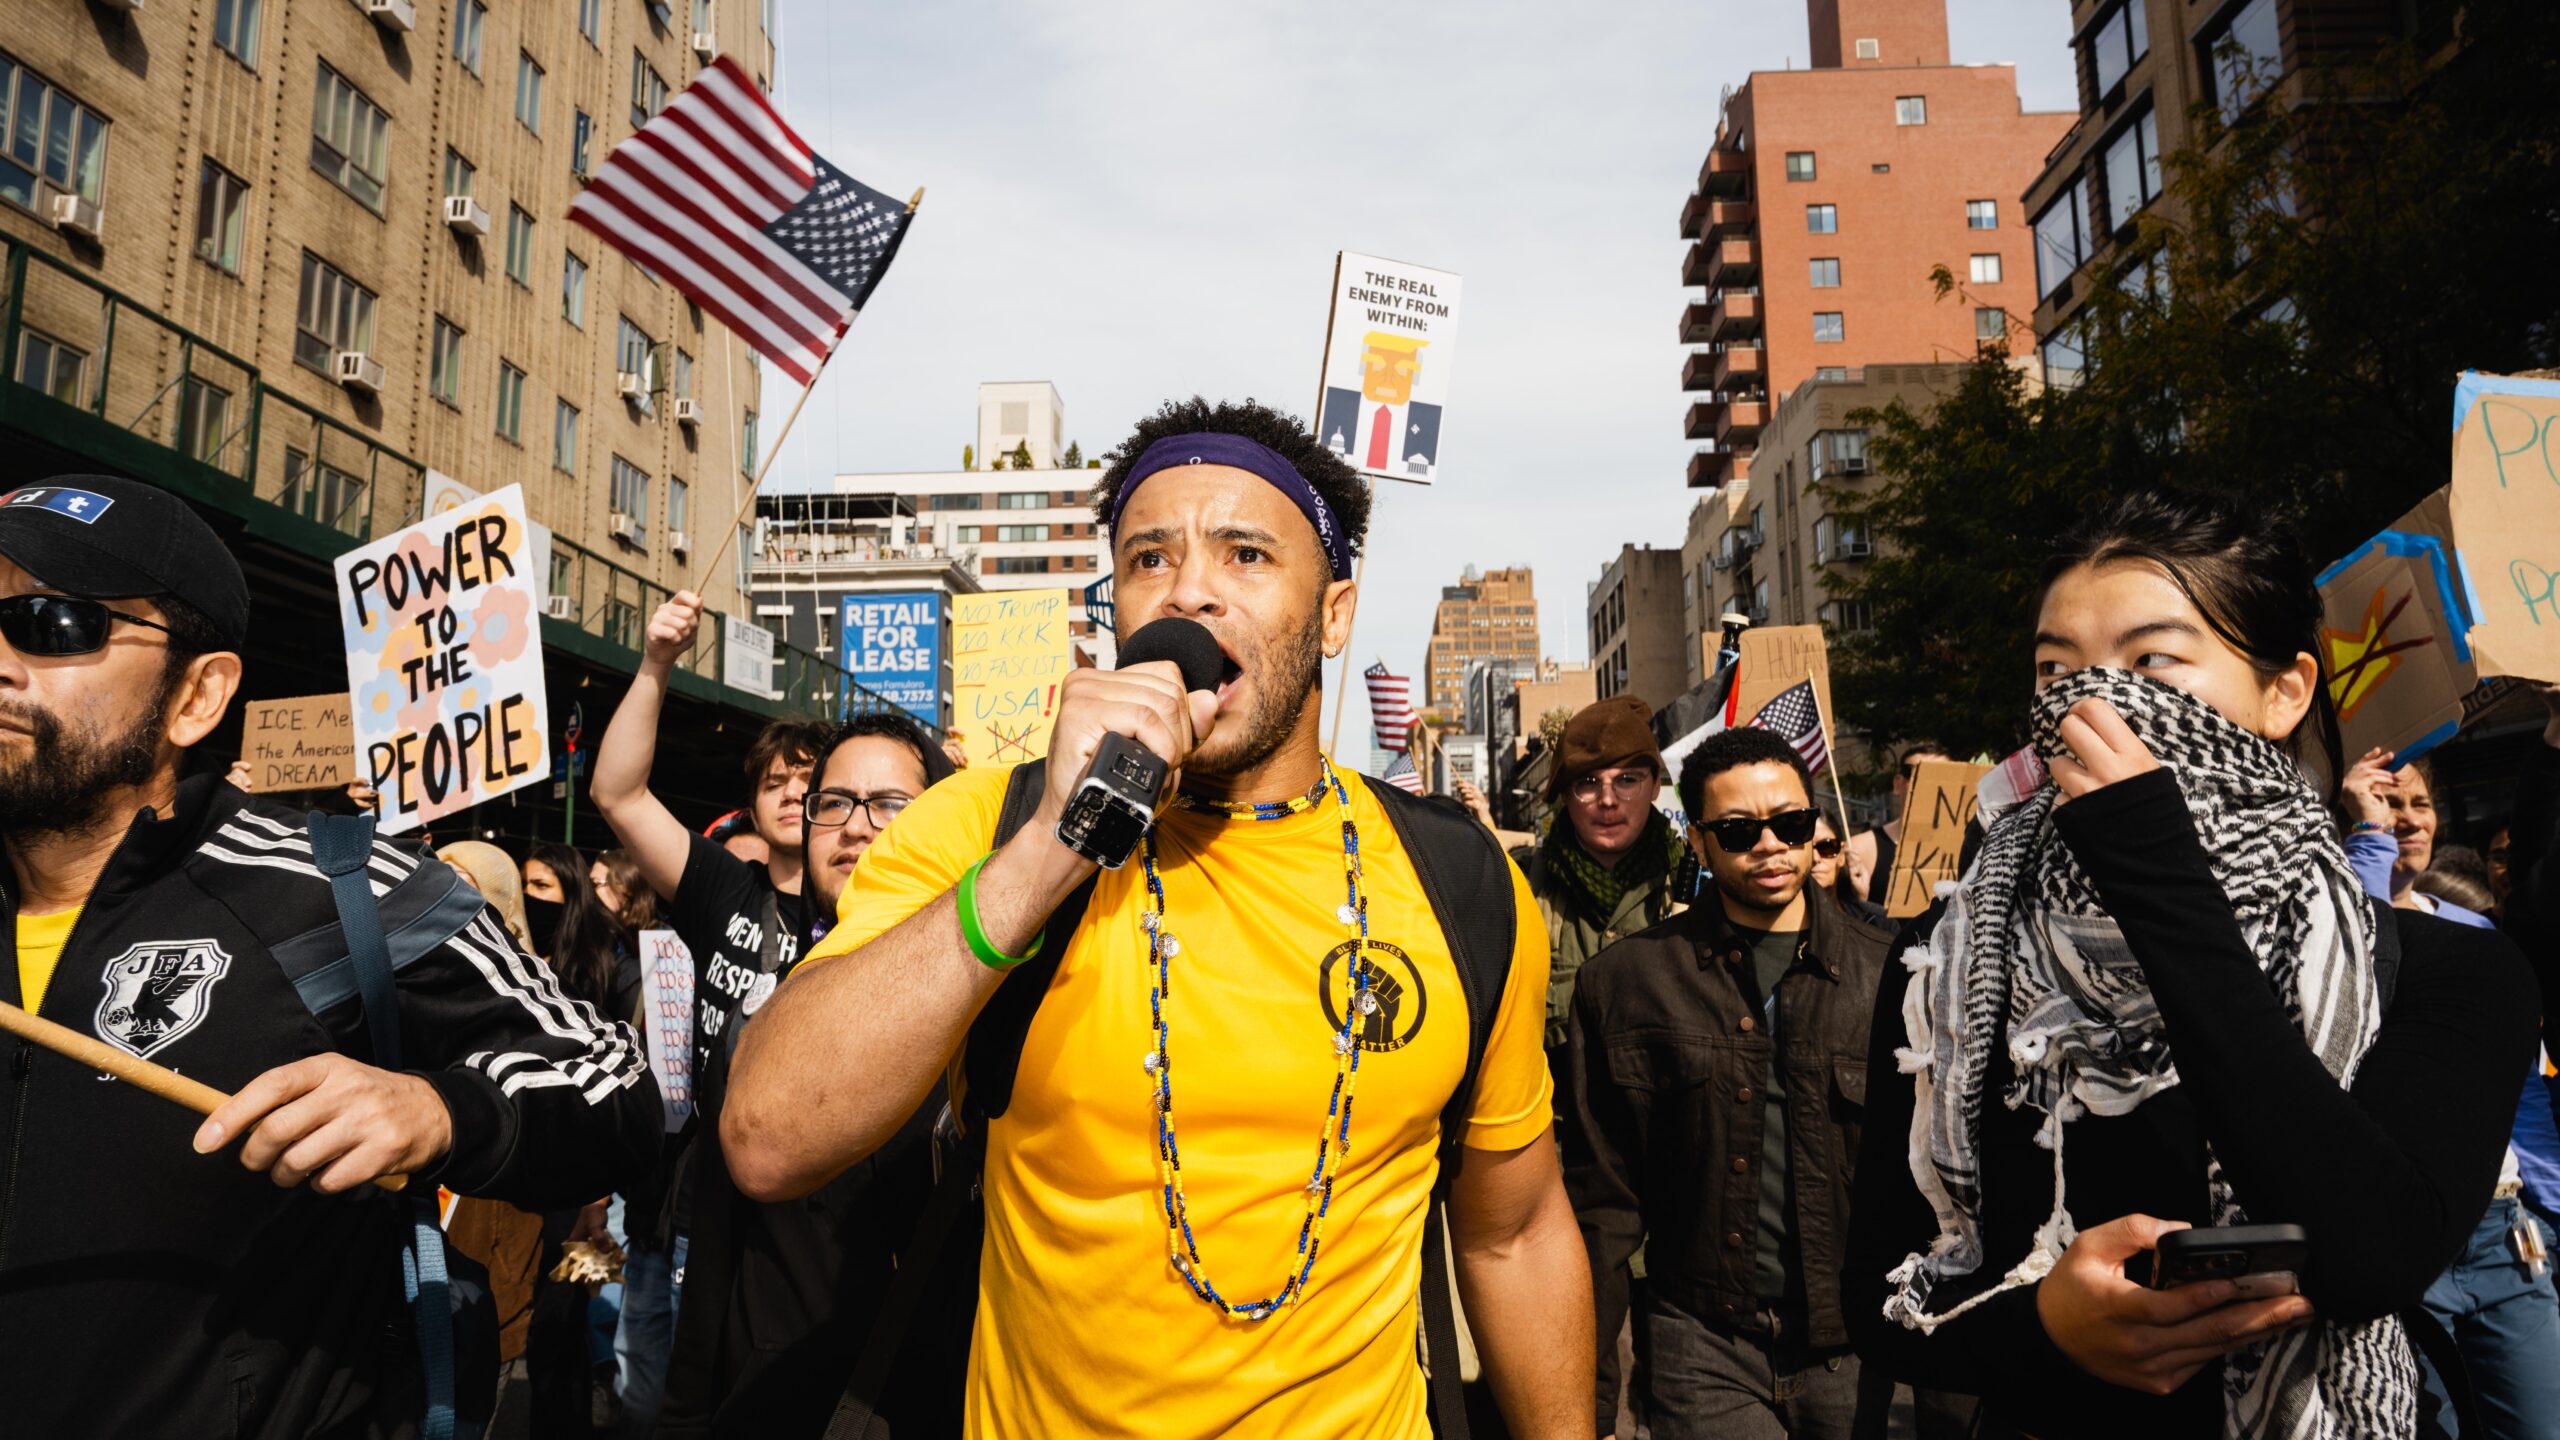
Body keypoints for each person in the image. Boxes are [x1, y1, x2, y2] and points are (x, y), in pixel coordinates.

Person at [722, 397, 1591, 1435]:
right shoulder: (982, 826)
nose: (1189, 590)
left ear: (1334, 616)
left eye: (1245, 555)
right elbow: (768, 1137)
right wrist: (1049, 848)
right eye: (1148, 559)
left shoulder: (1459, 881)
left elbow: (1514, 1233)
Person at [1845, 488, 2536, 1438]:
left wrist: (2159, 876)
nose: (2092, 702)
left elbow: (2371, 1256)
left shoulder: (2444, 968)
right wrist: (2045, 1328)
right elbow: (1880, 1304)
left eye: (2152, 661)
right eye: (2056, 670)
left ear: (2285, 692)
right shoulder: (1952, 965)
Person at [0, 475, 657, 1438]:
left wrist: (440, 1110)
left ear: (197, 695)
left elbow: (617, 1084)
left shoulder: (338, 889)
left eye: (50, 623)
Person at [1564, 726, 1895, 1439]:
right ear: (1699, 841)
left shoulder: (1896, 972)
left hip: (1862, 1345)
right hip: (1701, 1347)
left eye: (1791, 824)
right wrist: (1587, 1404)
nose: (1770, 846)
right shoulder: (1623, 984)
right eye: (1740, 831)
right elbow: (1603, 1209)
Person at [658, 709, 966, 1439]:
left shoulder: (999, 1006)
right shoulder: (762, 1024)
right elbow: (715, 1262)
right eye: (834, 803)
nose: (857, 827)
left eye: (890, 804)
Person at [2340, 750, 2560, 1436]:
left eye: (2419, 804)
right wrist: (2367, 838)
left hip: (2504, 1236)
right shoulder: (2331, 928)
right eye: (2386, 803)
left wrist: (2550, 1200)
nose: (2405, 820)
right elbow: (2364, 967)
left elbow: (2516, 1092)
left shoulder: (2477, 933)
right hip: (2406, 1240)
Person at [1516, 695, 1690, 1071]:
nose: (1608, 800)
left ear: (1655, 786)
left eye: (1628, 780)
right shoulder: (1521, 889)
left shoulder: (1692, 886)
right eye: (1588, 783)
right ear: (1565, 794)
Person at [1864, 743, 1951, 907]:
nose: (1928, 783)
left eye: (1941, 775)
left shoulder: (1974, 849)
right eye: (1917, 773)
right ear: (1898, 784)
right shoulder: (1863, 850)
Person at [594, 848, 662, 933]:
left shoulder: (663, 937)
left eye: (595, 883)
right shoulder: (595, 931)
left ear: (626, 887)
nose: (589, 889)